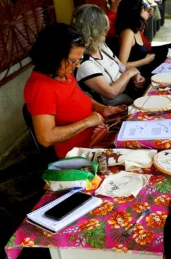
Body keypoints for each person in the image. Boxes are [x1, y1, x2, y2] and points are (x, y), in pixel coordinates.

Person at [24, 23, 124, 158]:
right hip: (78, 153)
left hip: (95, 135)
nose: (78, 65)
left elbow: (79, 98)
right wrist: (87, 122)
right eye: (74, 61)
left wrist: (103, 109)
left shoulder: (63, 72)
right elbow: (46, 138)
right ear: (54, 57)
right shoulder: (40, 88)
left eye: (80, 59)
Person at [72, 4, 145, 105]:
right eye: (103, 29)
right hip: (116, 109)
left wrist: (136, 76)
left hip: (129, 97)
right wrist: (130, 73)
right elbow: (112, 93)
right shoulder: (84, 62)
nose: (106, 33)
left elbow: (122, 66)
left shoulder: (101, 46)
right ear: (93, 32)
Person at [113, 0, 169, 81]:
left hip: (146, 69)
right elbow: (121, 64)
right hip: (139, 76)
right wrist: (145, 61)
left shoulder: (137, 29)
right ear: (136, 12)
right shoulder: (128, 33)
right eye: (144, 8)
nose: (147, 10)